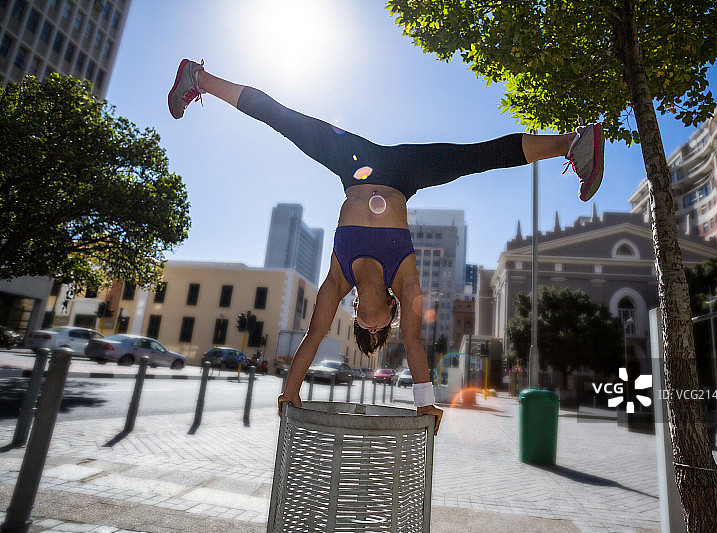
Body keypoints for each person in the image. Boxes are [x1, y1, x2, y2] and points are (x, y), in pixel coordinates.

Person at [168, 59, 605, 435]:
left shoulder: (338, 279)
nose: (367, 323)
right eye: (376, 330)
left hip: (352, 162)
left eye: (362, 325)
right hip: (405, 172)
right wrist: (425, 405)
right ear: (390, 312)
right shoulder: (405, 280)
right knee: (478, 157)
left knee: (282, 118)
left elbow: (314, 335)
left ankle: (197, 77)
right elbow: (413, 344)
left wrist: (289, 392)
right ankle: (573, 142)